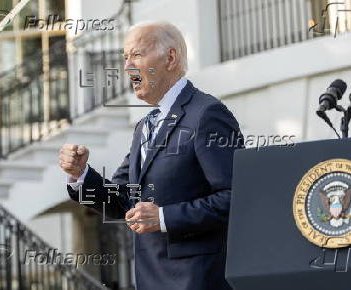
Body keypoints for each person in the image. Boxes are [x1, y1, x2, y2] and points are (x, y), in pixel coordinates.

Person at [59, 21, 244, 290]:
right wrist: (81, 175)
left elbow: (236, 197)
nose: (126, 66)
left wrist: (164, 217)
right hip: (149, 280)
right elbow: (123, 199)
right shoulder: (144, 126)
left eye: (136, 54)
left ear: (170, 58)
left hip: (197, 281)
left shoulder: (207, 114)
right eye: (125, 58)